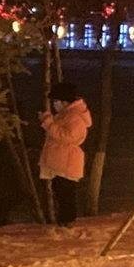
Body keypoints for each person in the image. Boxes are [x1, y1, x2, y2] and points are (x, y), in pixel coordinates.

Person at [38, 81, 91, 230]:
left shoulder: (74, 117)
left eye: (56, 101)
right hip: (61, 161)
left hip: (67, 162)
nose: (54, 105)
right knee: (61, 192)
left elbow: (68, 136)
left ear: (64, 102)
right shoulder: (66, 115)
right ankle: (65, 222)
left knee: (65, 193)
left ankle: (68, 222)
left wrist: (48, 123)